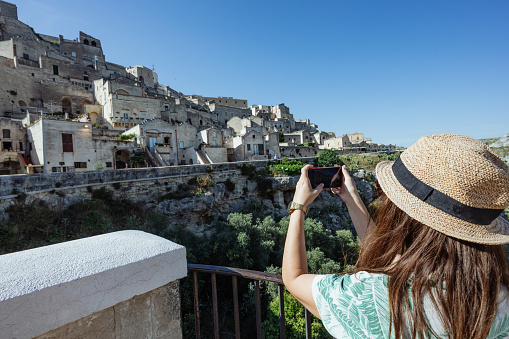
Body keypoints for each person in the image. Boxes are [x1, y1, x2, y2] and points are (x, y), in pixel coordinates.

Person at [282, 134, 509, 338]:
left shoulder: (372, 296)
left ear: (403, 215)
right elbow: (388, 258)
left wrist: (298, 206)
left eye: (382, 192)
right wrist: (352, 199)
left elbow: (294, 278)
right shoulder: (499, 300)